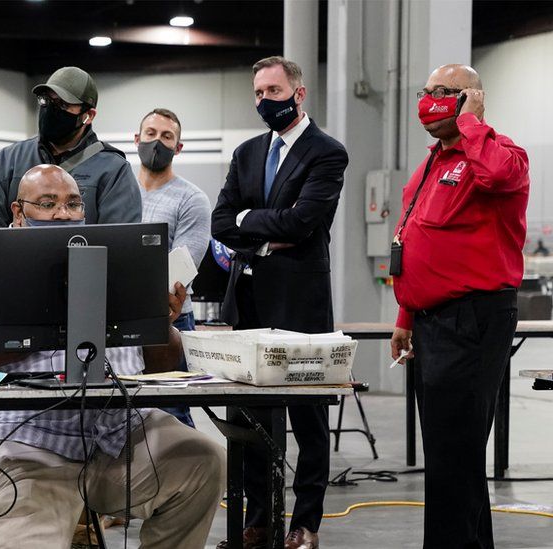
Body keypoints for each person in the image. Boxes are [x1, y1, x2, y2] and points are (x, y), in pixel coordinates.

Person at [0, 164, 226, 549]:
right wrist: (59, 310)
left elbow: (161, 363)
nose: (63, 213)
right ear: (18, 212)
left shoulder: (117, 264)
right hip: (22, 444)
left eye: (73, 204)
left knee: (203, 460)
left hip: (113, 437)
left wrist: (159, 320)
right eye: (47, 203)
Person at [210, 56, 347, 549]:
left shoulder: (327, 153)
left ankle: (305, 524)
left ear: (298, 93)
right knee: (252, 421)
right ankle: (259, 522)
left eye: (272, 91)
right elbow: (221, 221)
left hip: (302, 304)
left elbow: (304, 221)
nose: (263, 101)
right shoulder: (247, 153)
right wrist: (265, 230)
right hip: (249, 303)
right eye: (258, 93)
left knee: (309, 422)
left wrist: (252, 225)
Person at [389, 64, 528, 549]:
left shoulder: (500, 153)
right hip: (431, 322)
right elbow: (411, 238)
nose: (428, 101)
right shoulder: (432, 162)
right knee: (452, 457)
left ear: (471, 97)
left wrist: (473, 122)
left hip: (473, 317)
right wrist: (406, 314)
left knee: (454, 454)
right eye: (425, 92)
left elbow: (498, 176)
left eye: (442, 92)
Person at [0, 66, 141, 249]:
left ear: (88, 116)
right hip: (17, 273)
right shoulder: (10, 160)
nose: (51, 110)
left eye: (63, 105)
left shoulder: (113, 169)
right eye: (46, 101)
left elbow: (120, 241)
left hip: (85, 274)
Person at [135, 107, 211, 428]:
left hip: (172, 316)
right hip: (121, 315)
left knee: (171, 408)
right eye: (150, 134)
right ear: (137, 139)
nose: (157, 142)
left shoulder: (192, 199)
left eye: (167, 137)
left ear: (178, 148)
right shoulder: (118, 190)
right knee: (126, 407)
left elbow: (182, 266)